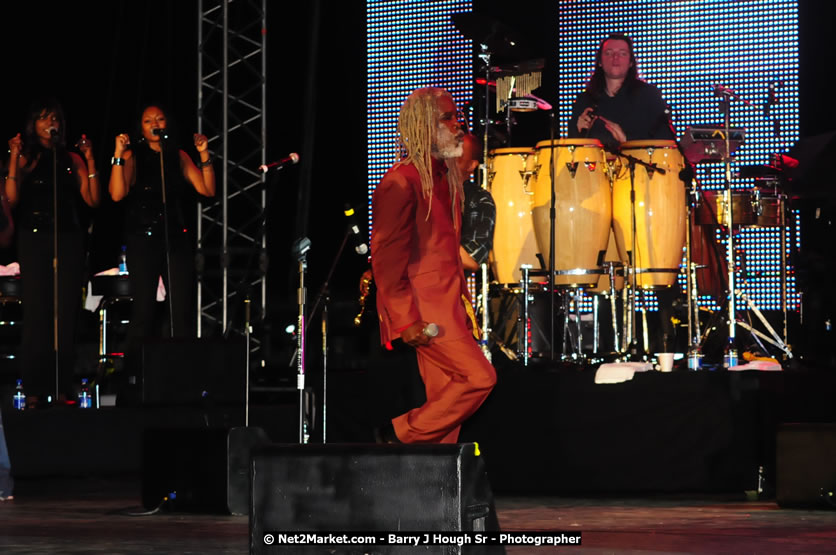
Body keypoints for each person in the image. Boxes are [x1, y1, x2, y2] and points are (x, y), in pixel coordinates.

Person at [370, 88, 496, 444]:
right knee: (479, 378)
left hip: (448, 303)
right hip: (426, 311)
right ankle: (396, 435)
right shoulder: (401, 180)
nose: (459, 125)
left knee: (446, 406)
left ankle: (435, 491)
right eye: (448, 118)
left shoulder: (445, 179)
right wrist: (405, 319)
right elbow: (387, 257)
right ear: (424, 125)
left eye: (458, 118)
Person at [5, 99, 100, 405]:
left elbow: (92, 199)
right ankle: (34, 388)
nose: (51, 123)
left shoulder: (71, 158)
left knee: (65, 311)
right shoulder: (27, 157)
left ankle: (61, 386)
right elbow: (11, 196)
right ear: (34, 124)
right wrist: (15, 156)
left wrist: (90, 158)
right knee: (37, 312)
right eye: (44, 118)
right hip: (34, 238)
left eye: (55, 118)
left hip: (68, 237)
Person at [108, 105, 215, 372]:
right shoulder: (135, 156)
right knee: (143, 310)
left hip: (174, 238)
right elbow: (117, 194)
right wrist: (118, 156)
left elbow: (207, 189)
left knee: (180, 310)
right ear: (141, 128)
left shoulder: (176, 156)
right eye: (148, 120)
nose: (155, 123)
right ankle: (135, 376)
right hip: (142, 239)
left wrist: (204, 156)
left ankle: (180, 373)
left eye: (160, 119)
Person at [569, 33, 673, 149]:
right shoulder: (585, 100)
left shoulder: (648, 95)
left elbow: (665, 143)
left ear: (631, 62)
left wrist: (627, 141)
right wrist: (578, 131)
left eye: (622, 53)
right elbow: (571, 152)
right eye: (609, 53)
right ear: (599, 62)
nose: (615, 57)